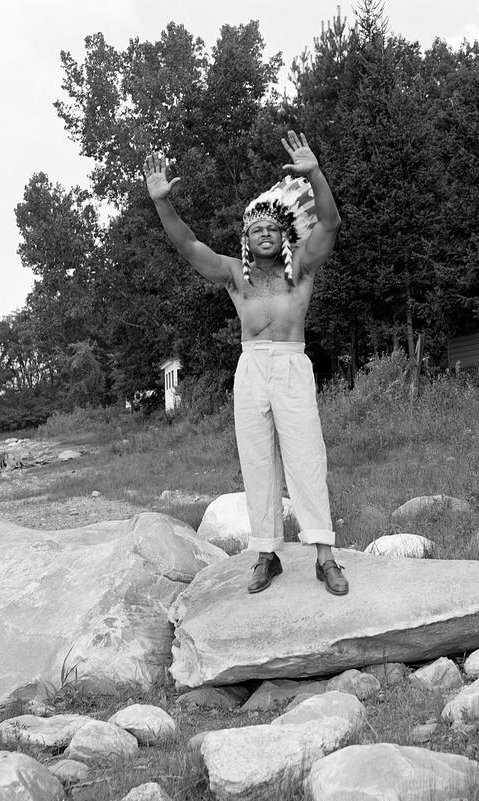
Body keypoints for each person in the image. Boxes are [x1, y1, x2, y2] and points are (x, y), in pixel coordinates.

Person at [144, 130, 348, 596]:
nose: (264, 234)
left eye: (272, 229)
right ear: (246, 238)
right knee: (257, 462)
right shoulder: (236, 276)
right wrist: (162, 204)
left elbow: (331, 223)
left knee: (306, 459)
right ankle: (266, 555)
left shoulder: (302, 269)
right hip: (251, 368)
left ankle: (324, 556)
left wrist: (314, 172)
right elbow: (189, 247)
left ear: (283, 236)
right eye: (256, 229)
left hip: (292, 366)